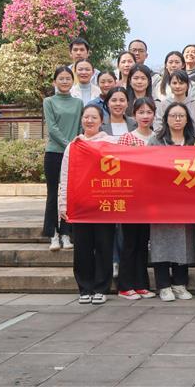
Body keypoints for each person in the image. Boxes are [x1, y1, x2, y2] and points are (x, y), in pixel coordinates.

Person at [58, 104, 115, 305]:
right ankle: (84, 288)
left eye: (94, 117)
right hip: (80, 205)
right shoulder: (73, 146)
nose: (89, 121)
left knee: (104, 247)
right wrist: (63, 204)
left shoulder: (111, 143)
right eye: (86, 117)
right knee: (82, 249)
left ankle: (101, 288)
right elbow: (65, 175)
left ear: (102, 121)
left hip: (104, 205)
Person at [147, 102, 195, 302]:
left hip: (187, 201)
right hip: (161, 200)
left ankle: (179, 283)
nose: (177, 119)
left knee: (184, 241)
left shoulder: (194, 142)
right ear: (166, 119)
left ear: (187, 120)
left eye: (181, 116)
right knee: (161, 242)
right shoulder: (155, 141)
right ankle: (163, 285)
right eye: (173, 116)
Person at [115, 97, 158, 300]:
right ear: (134, 115)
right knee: (130, 242)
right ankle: (124, 286)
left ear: (154, 115)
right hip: (131, 198)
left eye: (149, 112)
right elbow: (119, 168)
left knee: (143, 242)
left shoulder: (158, 138)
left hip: (151, 199)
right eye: (141, 112)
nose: (145, 116)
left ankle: (141, 284)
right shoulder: (127, 138)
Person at [43, 66, 83, 251]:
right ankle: (53, 234)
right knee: (53, 194)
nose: (65, 81)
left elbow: (81, 127)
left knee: (69, 195)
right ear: (54, 82)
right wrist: (68, 145)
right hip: (54, 153)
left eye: (68, 78)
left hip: (74, 154)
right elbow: (52, 128)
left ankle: (66, 233)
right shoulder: (49, 101)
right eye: (61, 78)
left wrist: (75, 146)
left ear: (72, 81)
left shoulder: (78, 103)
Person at [153, 70, 195, 137]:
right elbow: (158, 128)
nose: (177, 86)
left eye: (181, 83)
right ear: (170, 85)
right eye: (174, 83)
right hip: (166, 142)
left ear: (187, 85)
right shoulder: (163, 105)